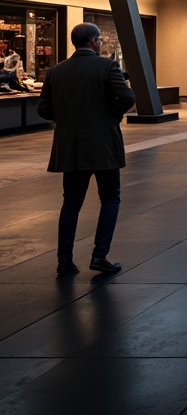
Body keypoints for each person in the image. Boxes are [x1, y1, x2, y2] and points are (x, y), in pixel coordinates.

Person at [36, 22, 136, 277]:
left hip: (70, 146)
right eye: (100, 39)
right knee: (110, 198)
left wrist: (69, 119)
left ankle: (64, 261)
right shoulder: (107, 67)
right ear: (94, 41)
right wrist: (111, 116)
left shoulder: (56, 71)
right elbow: (127, 97)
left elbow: (44, 110)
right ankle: (99, 256)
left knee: (70, 204)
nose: (101, 43)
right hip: (103, 145)